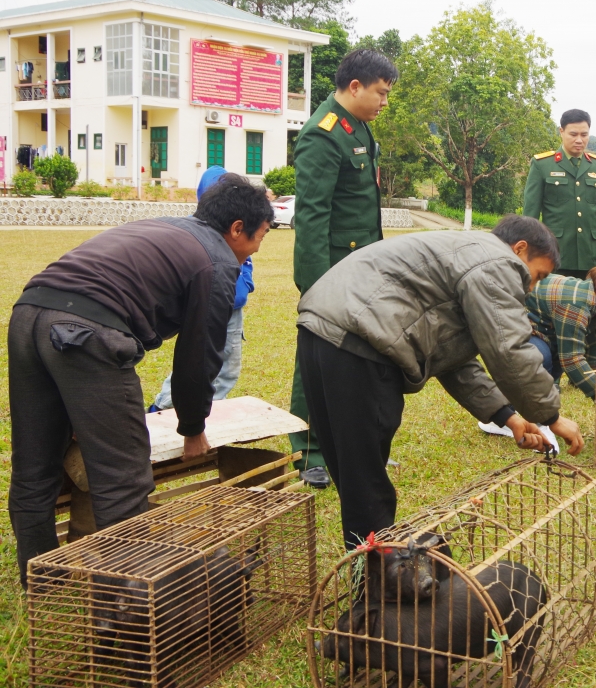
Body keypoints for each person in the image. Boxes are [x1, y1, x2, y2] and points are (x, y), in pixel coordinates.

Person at [8, 176, 273, 586]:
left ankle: (42, 583)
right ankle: (128, 604)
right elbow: (199, 358)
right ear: (238, 228)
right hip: (87, 333)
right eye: (260, 237)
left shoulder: (168, 226)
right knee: (122, 479)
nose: (256, 250)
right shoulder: (218, 260)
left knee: (35, 466)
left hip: (29, 314)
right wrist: (192, 428)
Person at [295, 215, 586, 551]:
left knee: (355, 478)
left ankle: (370, 573)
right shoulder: (498, 261)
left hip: (320, 332)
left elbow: (453, 360)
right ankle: (377, 592)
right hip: (361, 345)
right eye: (538, 275)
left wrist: (509, 416)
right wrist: (551, 416)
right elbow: (509, 350)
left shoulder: (464, 253)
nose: (531, 287)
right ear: (520, 250)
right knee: (367, 485)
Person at [289, 48, 398, 488]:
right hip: (332, 270)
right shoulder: (323, 134)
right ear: (355, 87)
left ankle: (359, 447)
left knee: (363, 357)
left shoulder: (360, 129)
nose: (384, 102)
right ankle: (310, 451)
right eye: (380, 93)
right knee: (317, 358)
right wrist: (316, 287)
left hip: (364, 268)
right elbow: (312, 216)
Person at [478, 263, 596, 445]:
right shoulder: (577, 302)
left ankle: (524, 413)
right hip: (507, 325)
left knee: (555, 360)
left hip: (540, 328)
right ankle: (503, 420)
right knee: (540, 356)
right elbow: (572, 359)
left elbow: (592, 358)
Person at [149, 166, 255, 411]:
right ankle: (166, 408)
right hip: (208, 306)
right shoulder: (198, 231)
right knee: (202, 365)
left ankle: (204, 412)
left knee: (226, 368)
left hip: (232, 308)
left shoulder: (237, 230)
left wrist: (245, 285)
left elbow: (246, 265)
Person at [523, 109, 596, 279]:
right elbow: (530, 215)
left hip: (589, 256)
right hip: (554, 253)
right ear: (561, 131)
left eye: (584, 134)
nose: (579, 140)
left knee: (587, 303)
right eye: (573, 134)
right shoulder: (543, 165)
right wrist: (527, 254)